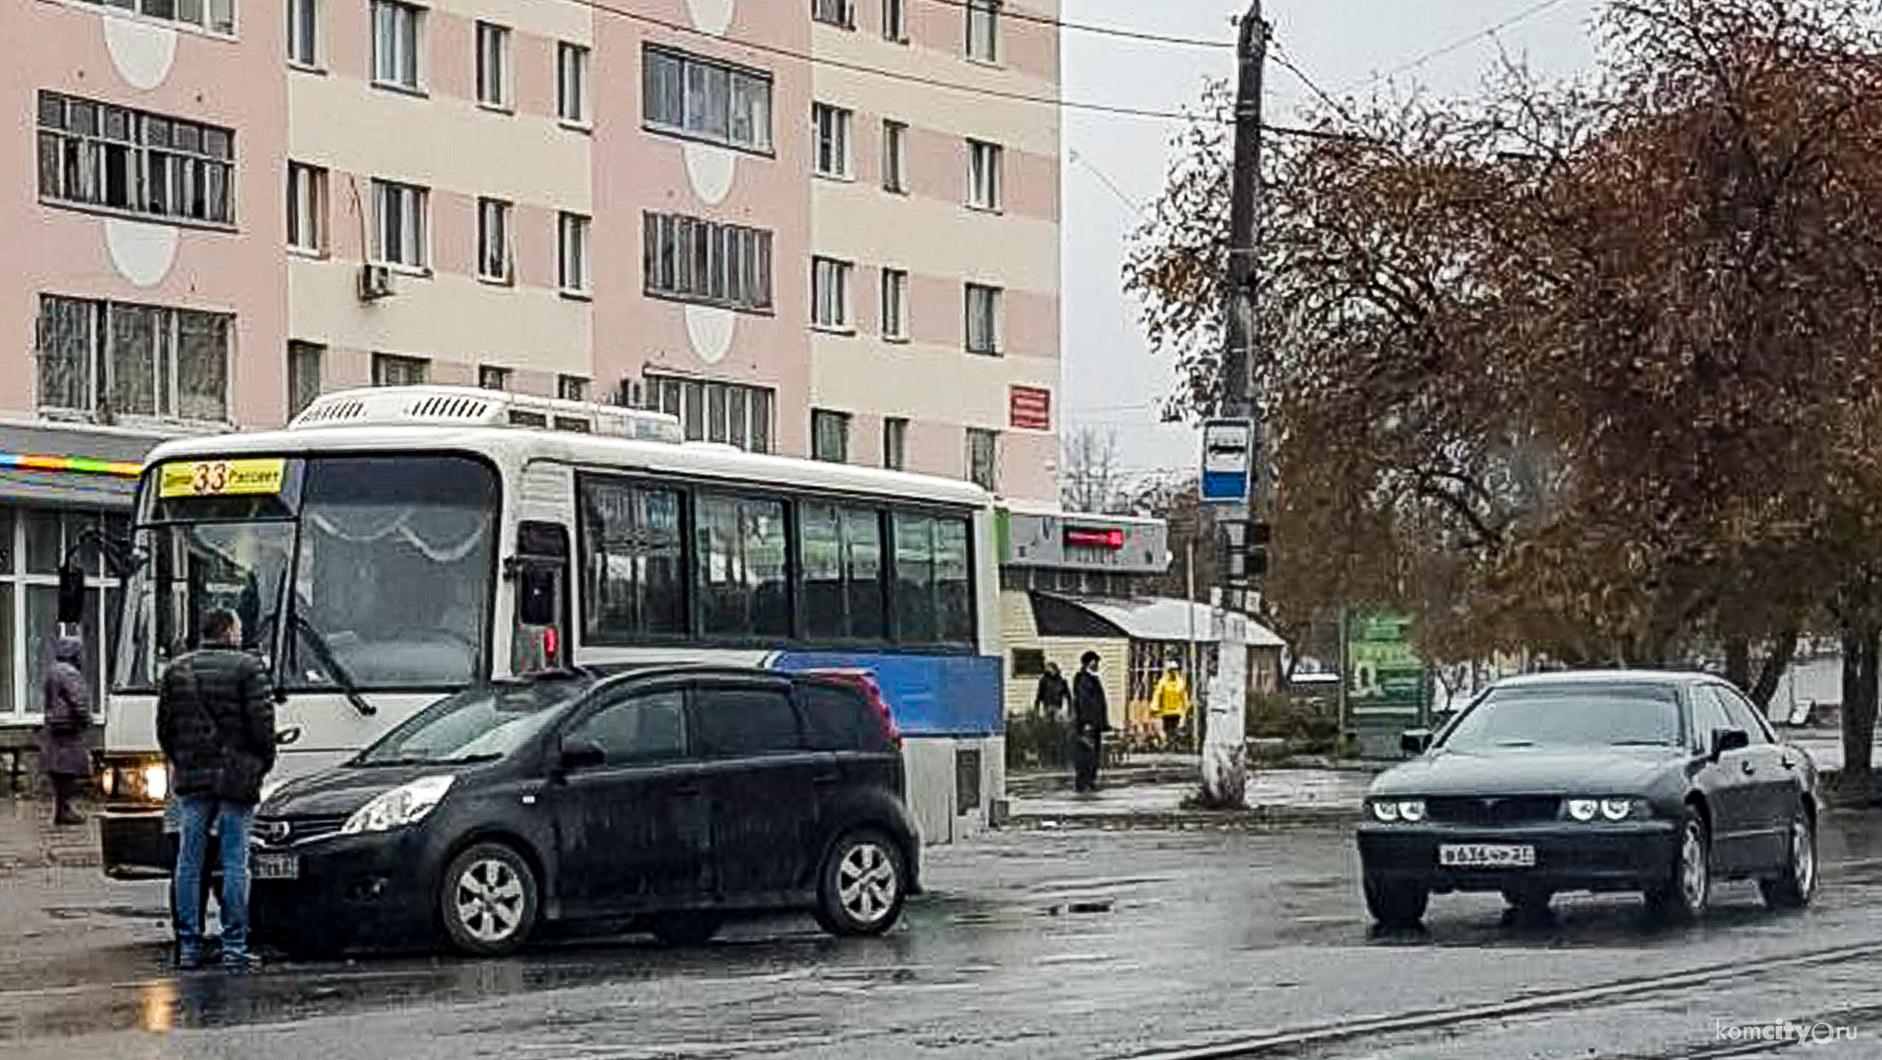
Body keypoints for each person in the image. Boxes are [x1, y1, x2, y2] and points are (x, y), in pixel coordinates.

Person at [157, 609, 275, 972]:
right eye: (238, 628)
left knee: (189, 863)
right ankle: (234, 947)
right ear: (229, 631)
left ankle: (188, 946)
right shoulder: (248, 668)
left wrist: (183, 760)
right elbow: (263, 725)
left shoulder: (176, 670)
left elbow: (165, 728)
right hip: (236, 776)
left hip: (192, 777)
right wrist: (261, 763)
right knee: (235, 860)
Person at [39, 636, 92, 826]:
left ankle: (62, 809)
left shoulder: (53, 671)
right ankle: (65, 810)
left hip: (54, 726)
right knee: (69, 771)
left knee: (59, 773)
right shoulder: (70, 674)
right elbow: (78, 700)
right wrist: (86, 718)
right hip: (68, 728)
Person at [1070, 652, 1110, 793]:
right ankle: (1083, 782)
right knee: (1086, 754)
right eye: (1095, 662)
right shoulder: (1083, 679)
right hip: (1088, 724)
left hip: (1095, 723)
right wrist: (1087, 722)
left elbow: (1098, 703)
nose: (1097, 665)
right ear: (1088, 663)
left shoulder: (1092, 679)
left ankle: (1090, 781)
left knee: (1094, 754)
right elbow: (1084, 702)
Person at [1152, 661, 1190, 747]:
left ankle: (1175, 744)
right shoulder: (1163, 682)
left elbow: (1184, 696)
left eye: (1174, 670)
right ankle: (1168, 744)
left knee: (1176, 730)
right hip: (1166, 712)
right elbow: (1157, 694)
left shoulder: (1180, 683)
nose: (1173, 672)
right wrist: (1156, 707)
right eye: (1171, 670)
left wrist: (1185, 708)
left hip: (1177, 712)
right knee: (1167, 730)